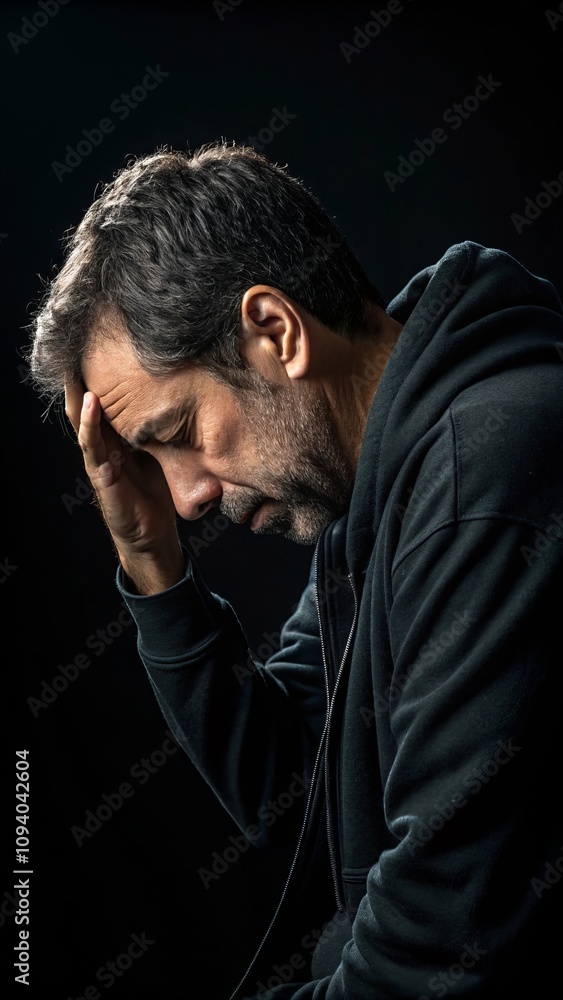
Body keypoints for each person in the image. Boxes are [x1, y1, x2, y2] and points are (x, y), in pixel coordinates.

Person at [26, 142, 563, 998]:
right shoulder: (378, 494)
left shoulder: (482, 481)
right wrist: (154, 565)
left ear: (274, 332)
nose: (186, 499)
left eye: (177, 434)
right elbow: (291, 794)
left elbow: (435, 956)